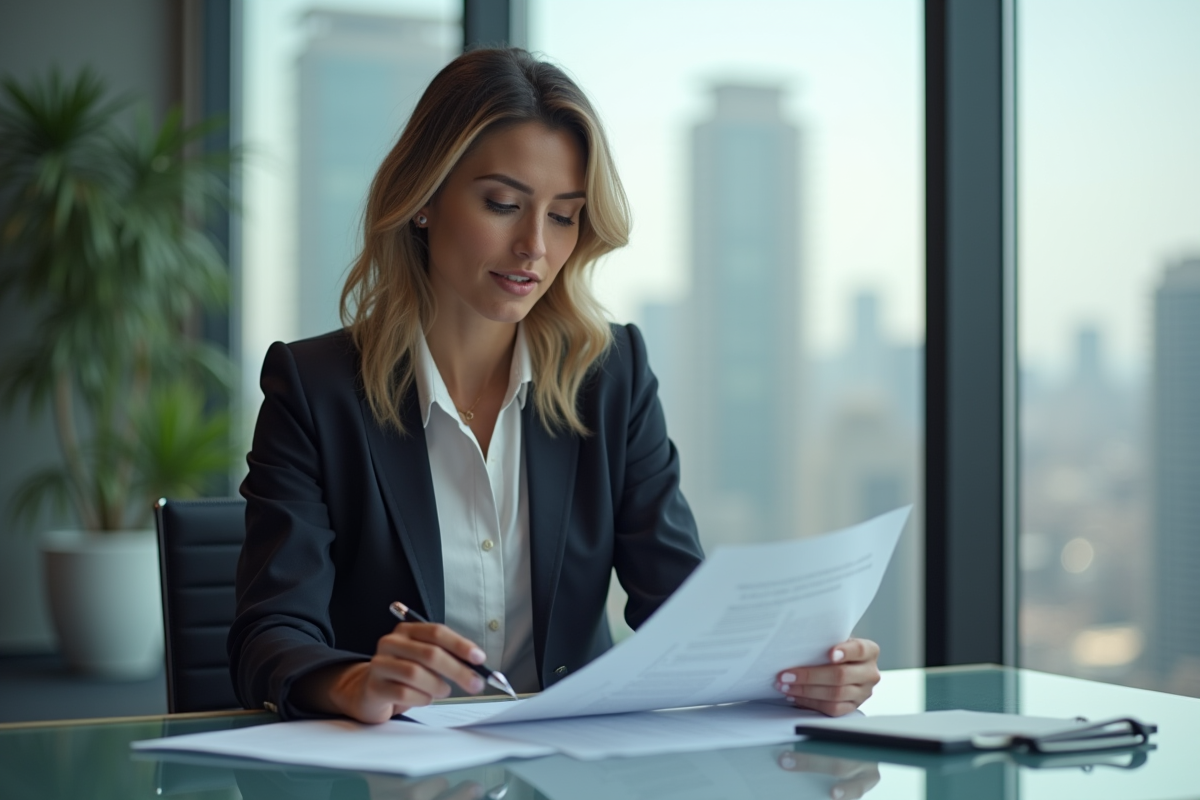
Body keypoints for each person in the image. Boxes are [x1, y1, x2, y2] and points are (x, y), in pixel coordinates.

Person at [228, 47, 880, 724]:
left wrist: (806, 667)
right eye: (503, 204)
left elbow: (679, 607)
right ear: (424, 199)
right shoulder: (315, 389)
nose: (534, 246)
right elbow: (266, 637)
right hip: (386, 772)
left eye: (564, 215)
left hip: (570, 767)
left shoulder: (611, 374)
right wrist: (353, 682)